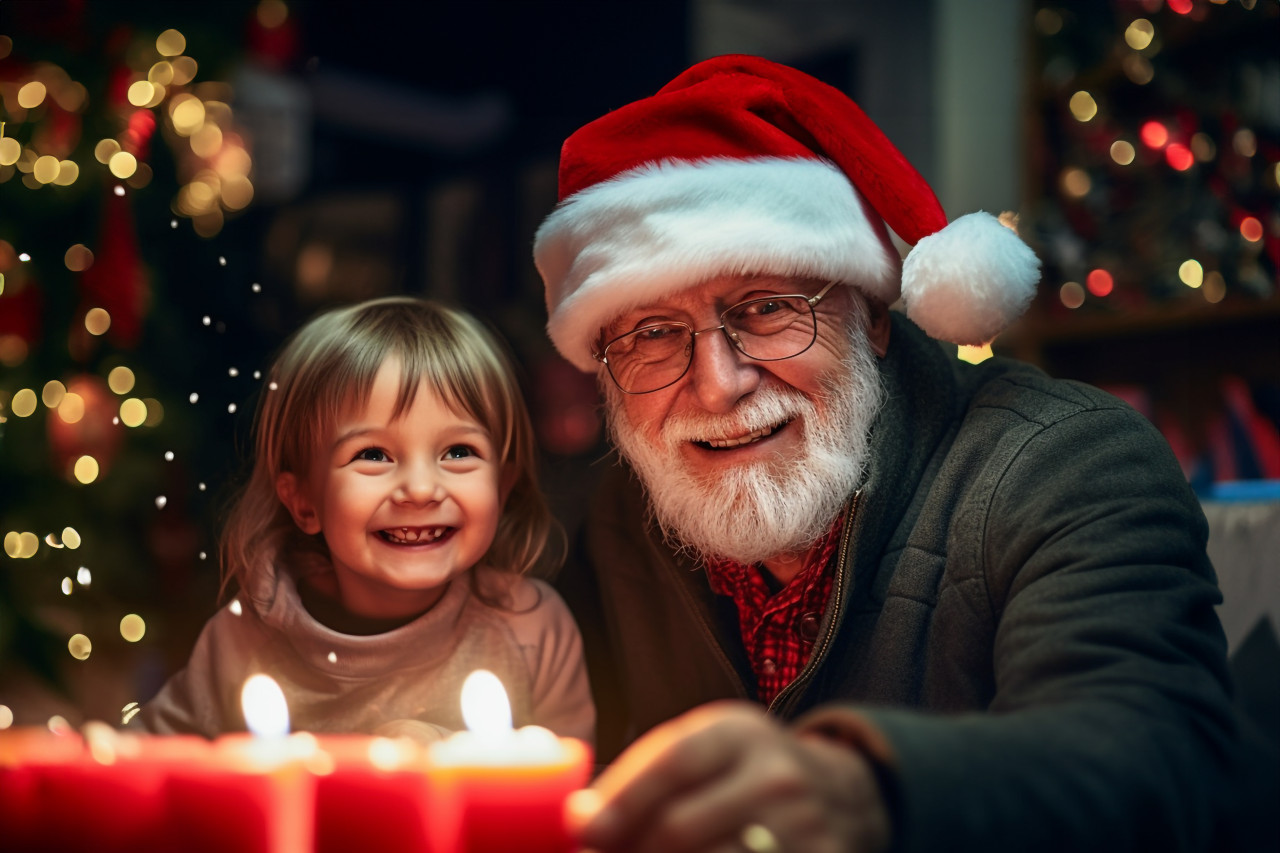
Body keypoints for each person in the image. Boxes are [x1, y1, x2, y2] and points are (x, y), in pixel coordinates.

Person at [532, 56, 1238, 852]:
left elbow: (1168, 765)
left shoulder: (1069, 461)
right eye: (652, 333)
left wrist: (871, 787)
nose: (717, 385)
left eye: (767, 308)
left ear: (869, 315)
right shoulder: (626, 517)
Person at [138, 296, 594, 745]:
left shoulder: (532, 629)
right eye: (373, 455)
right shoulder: (244, 639)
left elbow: (569, 794)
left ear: (503, 485)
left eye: (459, 452)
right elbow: (151, 764)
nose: (420, 489)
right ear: (305, 504)